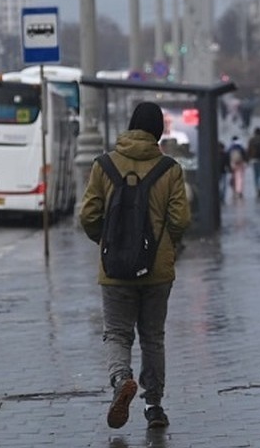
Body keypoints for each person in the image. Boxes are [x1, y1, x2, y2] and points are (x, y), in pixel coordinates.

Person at [79, 102, 191, 431]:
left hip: (114, 270)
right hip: (157, 272)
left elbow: (88, 216)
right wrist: (166, 245)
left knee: (117, 333)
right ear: (157, 132)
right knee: (153, 337)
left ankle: (121, 380)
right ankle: (154, 406)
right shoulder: (169, 169)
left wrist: (106, 243)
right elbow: (180, 219)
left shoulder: (103, 165)